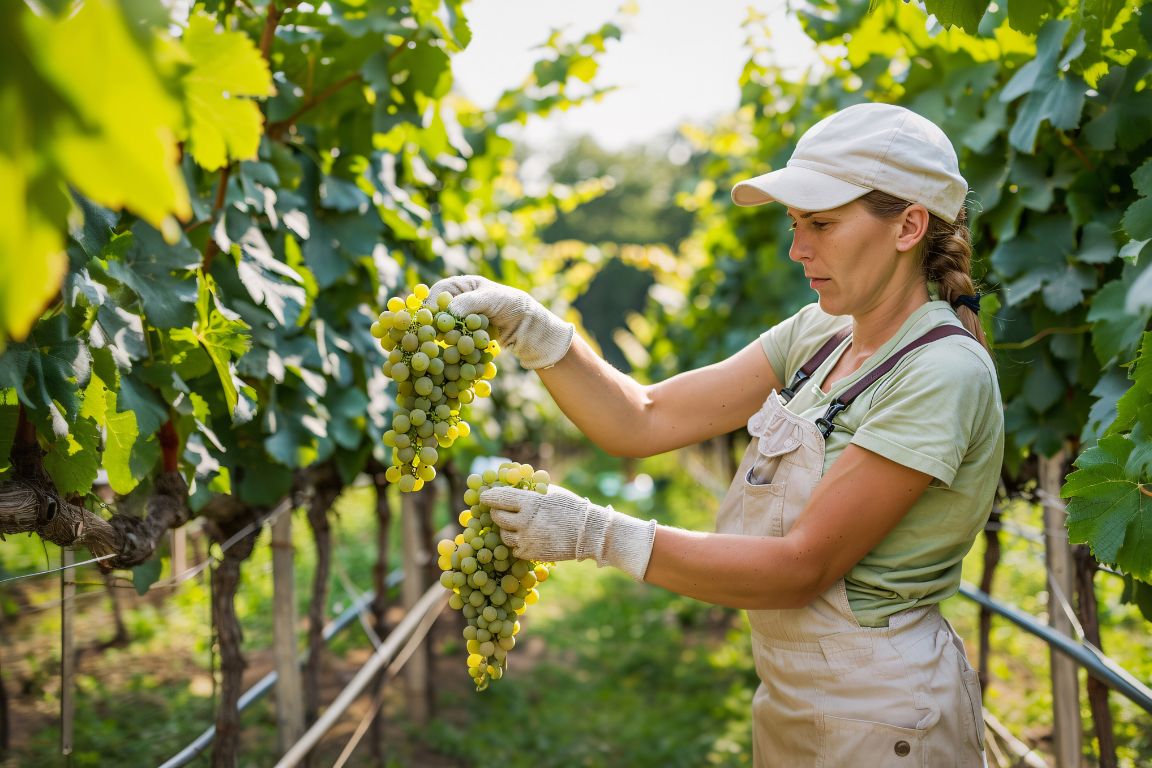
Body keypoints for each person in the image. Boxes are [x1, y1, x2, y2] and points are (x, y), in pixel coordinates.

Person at [430, 102, 1003, 767]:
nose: (798, 249)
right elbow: (642, 416)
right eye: (795, 224)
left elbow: (801, 567)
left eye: (821, 224)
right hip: (792, 694)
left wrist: (595, 534)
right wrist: (533, 329)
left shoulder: (940, 372)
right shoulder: (820, 334)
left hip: (884, 715)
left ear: (909, 225)